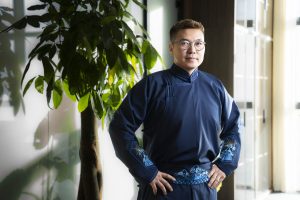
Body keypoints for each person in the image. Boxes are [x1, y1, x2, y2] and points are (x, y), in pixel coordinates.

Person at [109, 19, 241, 200]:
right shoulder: (151, 86)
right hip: (163, 188)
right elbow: (119, 127)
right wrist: (148, 170)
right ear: (171, 47)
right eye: (184, 43)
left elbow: (233, 127)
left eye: (198, 44)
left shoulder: (215, 87)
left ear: (204, 47)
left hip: (205, 188)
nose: (192, 50)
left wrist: (225, 163)